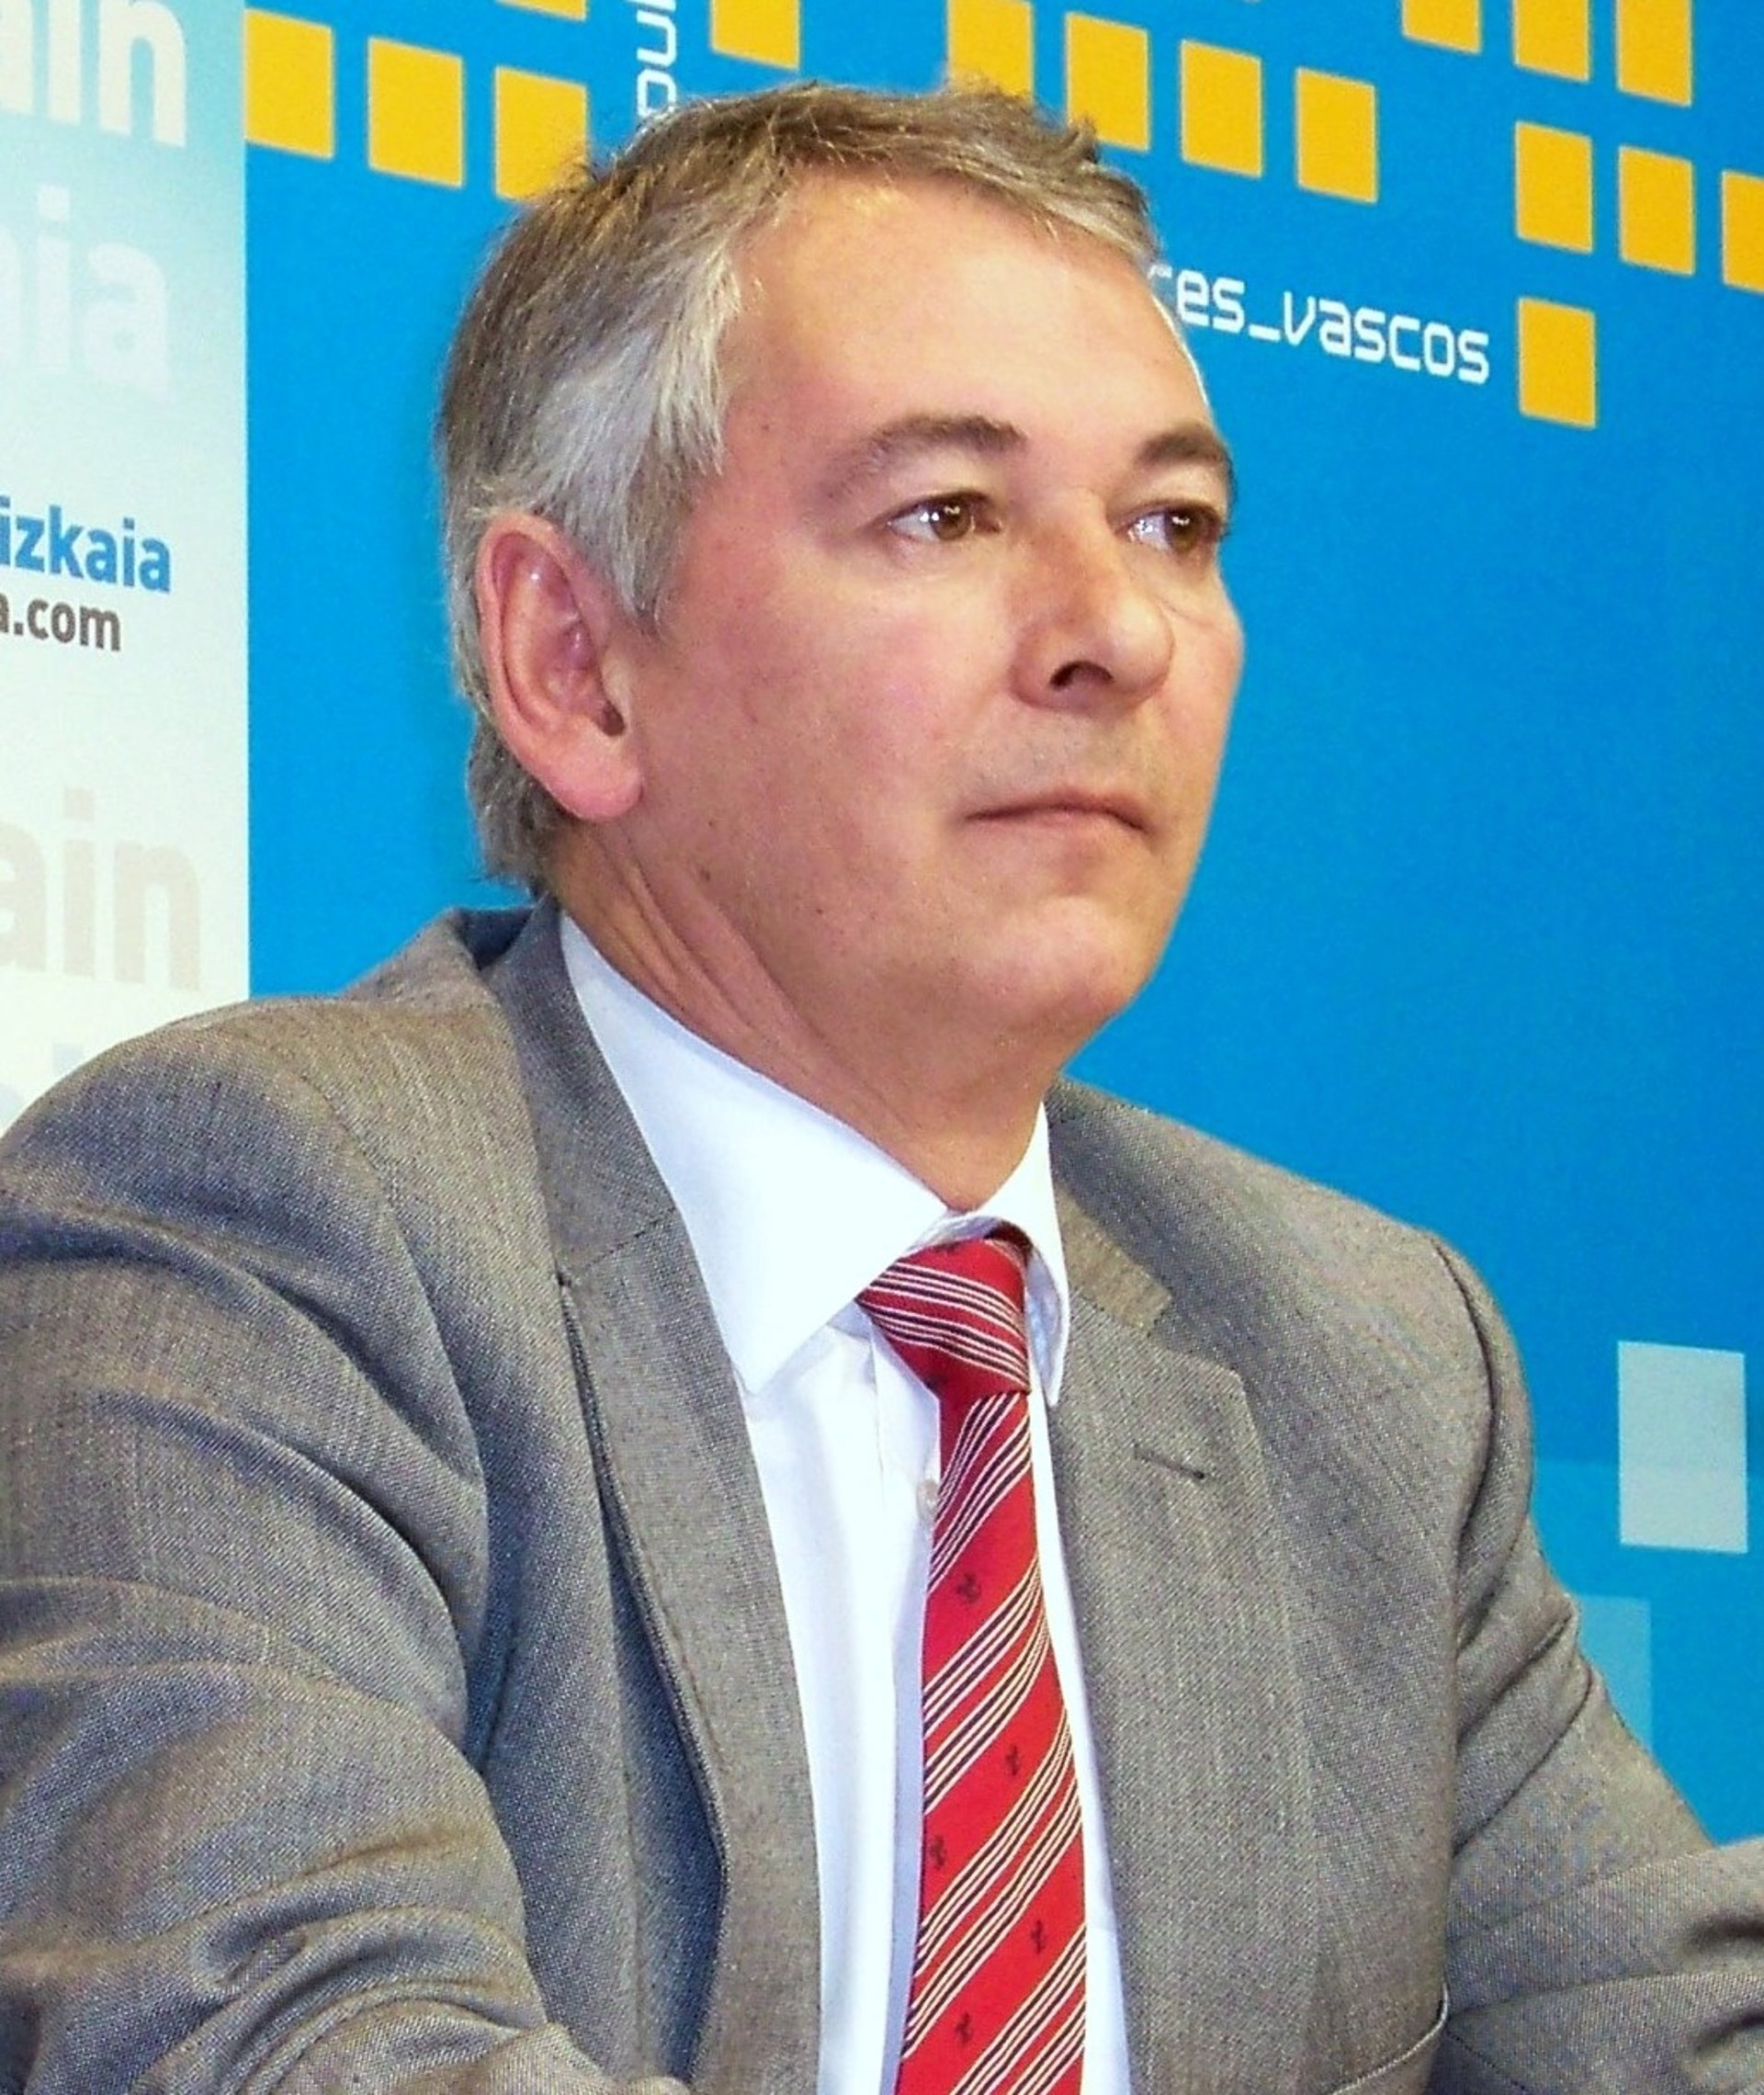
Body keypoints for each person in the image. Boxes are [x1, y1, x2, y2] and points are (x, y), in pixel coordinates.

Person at [0, 79, 1759, 2095]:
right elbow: (298, 2050)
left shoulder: (1366, 1362)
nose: (1116, 632)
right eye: (947, 513)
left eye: (1175, 527)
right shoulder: (249, 1226)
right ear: (574, 662)